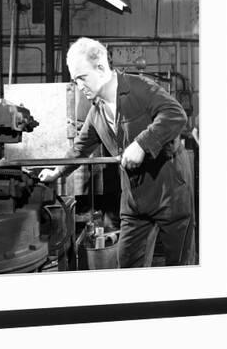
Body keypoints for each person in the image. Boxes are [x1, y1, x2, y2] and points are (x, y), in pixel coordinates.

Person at [39, 38, 196, 267]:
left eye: (82, 78)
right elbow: (80, 149)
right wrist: (56, 172)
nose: (79, 86)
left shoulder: (141, 87)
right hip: (134, 202)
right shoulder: (97, 113)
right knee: (129, 266)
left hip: (170, 193)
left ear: (101, 67)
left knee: (180, 266)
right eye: (75, 81)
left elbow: (175, 114)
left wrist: (142, 143)